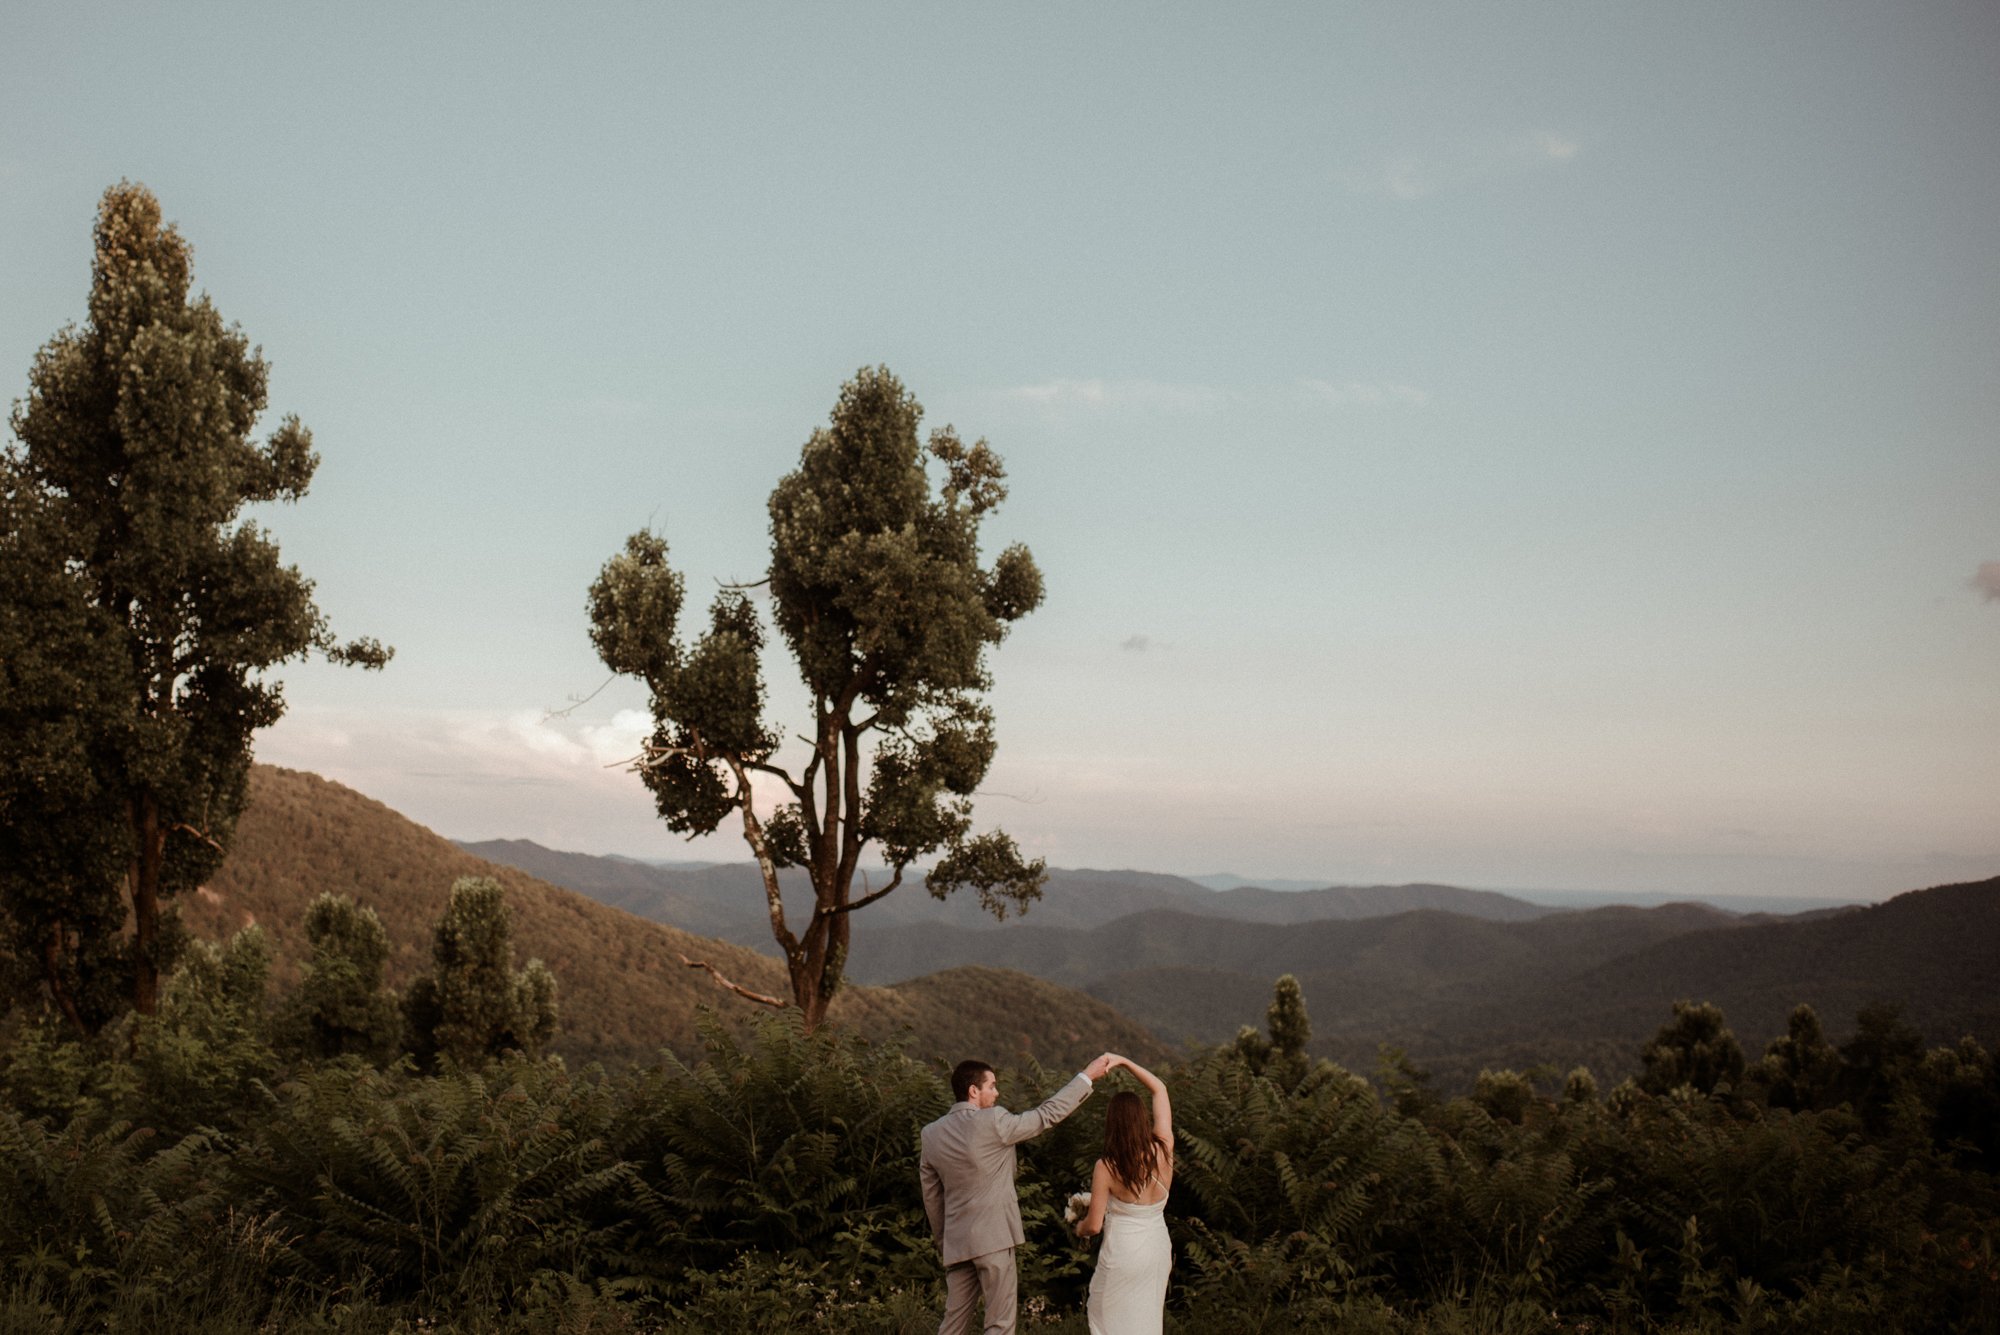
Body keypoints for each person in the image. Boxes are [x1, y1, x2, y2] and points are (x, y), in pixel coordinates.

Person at [922, 1052, 1116, 1335]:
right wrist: (1086, 1076)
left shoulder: (931, 1134)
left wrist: (944, 1241)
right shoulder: (994, 1121)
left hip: (957, 1242)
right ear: (973, 1090)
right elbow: (1046, 1115)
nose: (997, 1092)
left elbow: (932, 1197)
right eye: (992, 1086)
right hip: (994, 1238)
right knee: (999, 1324)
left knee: (952, 1326)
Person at [1075, 1055, 1173, 1334]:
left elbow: (1094, 1226)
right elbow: (1160, 1089)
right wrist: (1126, 1063)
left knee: (1107, 1319)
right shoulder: (1164, 1149)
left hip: (1124, 1254)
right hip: (1156, 1249)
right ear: (1143, 1118)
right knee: (1147, 1320)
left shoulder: (1106, 1167)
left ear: (1112, 1124)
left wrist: (1078, 1228)